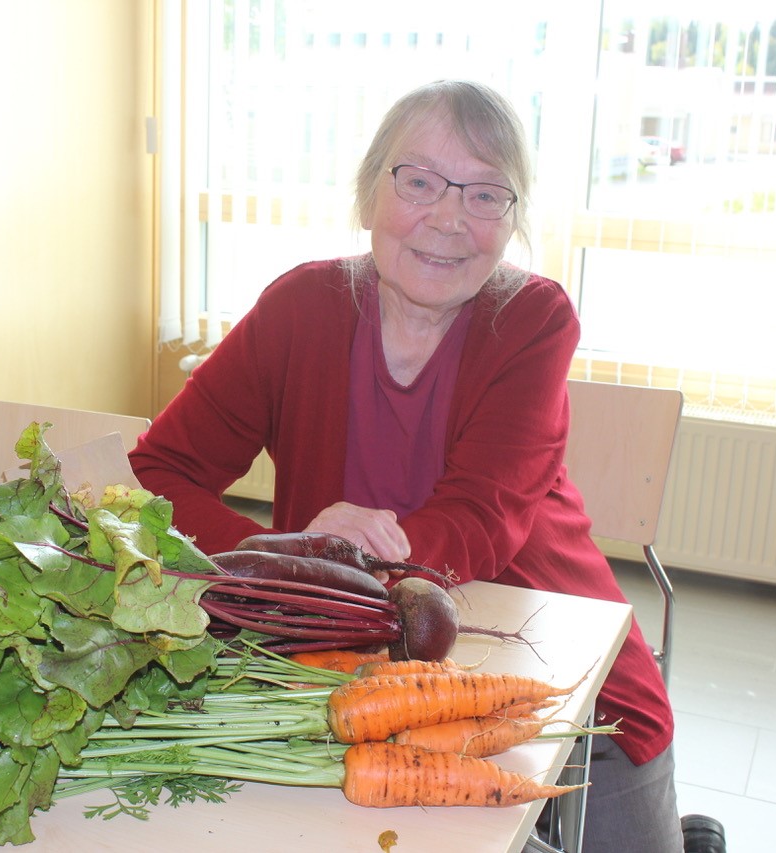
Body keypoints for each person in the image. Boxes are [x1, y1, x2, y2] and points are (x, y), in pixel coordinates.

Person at [129, 80, 693, 852]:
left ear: (512, 221)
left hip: (551, 667)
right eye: (420, 181)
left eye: (486, 194)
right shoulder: (299, 308)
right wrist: (269, 565)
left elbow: (476, 524)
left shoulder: (532, 319)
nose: (449, 218)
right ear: (368, 195)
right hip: (337, 669)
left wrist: (323, 565)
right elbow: (160, 472)